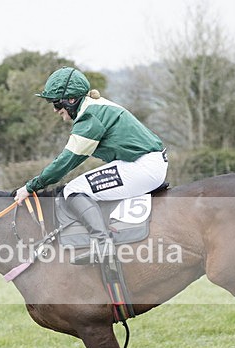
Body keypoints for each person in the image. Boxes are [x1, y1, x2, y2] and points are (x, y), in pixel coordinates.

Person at [14, 66, 167, 264]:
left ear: (71, 100)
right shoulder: (94, 106)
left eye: (56, 103)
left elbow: (66, 162)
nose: (54, 110)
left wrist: (31, 186)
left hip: (142, 166)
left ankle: (102, 245)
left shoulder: (90, 116)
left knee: (73, 190)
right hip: (144, 163)